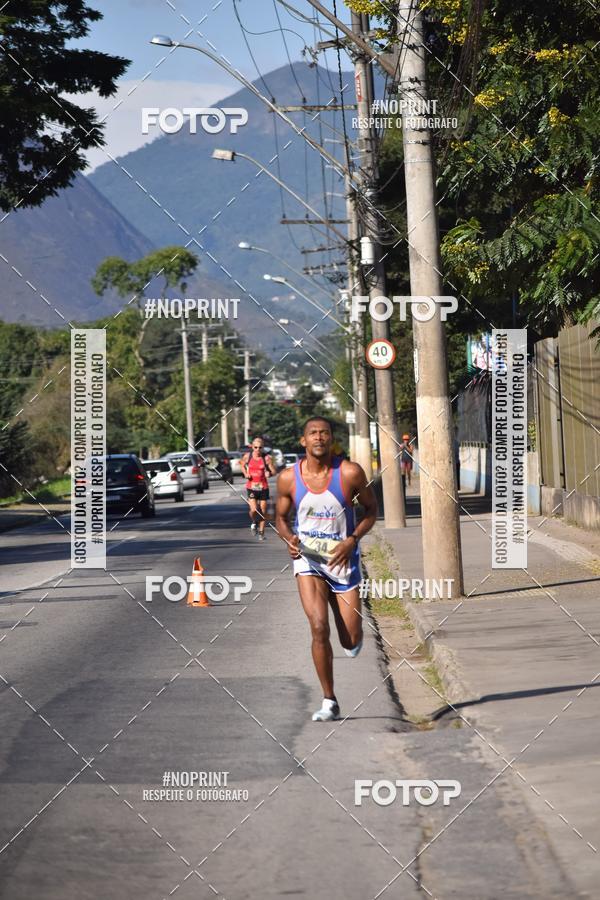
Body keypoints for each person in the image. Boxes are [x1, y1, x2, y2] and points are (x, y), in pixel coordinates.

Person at [276, 417, 377, 722]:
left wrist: (352, 539)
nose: (319, 437)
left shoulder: (349, 472)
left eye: (324, 433)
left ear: (332, 439)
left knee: (349, 639)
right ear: (303, 441)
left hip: (343, 562)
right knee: (319, 626)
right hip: (308, 560)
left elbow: (372, 510)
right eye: (313, 433)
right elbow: (279, 517)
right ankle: (329, 700)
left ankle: (350, 634)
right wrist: (289, 538)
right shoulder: (288, 479)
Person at [242, 437, 277, 541]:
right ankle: (254, 522)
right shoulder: (248, 456)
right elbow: (242, 465)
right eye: (255, 447)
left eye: (260, 447)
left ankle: (261, 532)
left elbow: (274, 471)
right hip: (251, 487)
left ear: (262, 448)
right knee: (254, 510)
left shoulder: (266, 458)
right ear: (252, 447)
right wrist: (245, 473)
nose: (257, 449)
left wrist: (269, 473)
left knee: (263, 510)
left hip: (263, 487)